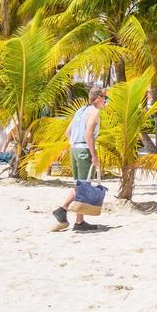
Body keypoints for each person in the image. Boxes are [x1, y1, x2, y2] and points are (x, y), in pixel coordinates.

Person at [53, 85, 106, 232]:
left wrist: (74, 145)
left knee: (80, 185)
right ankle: (62, 209)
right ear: (98, 98)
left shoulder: (80, 111)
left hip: (75, 149)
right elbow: (89, 135)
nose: (105, 102)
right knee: (83, 185)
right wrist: (94, 156)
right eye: (104, 98)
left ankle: (79, 221)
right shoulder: (94, 112)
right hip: (84, 149)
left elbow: (67, 132)